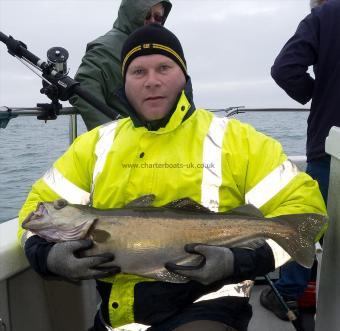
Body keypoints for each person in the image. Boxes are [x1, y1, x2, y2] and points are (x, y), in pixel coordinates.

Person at [18, 24, 327, 331]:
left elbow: (306, 211)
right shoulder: (93, 145)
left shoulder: (238, 140)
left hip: (208, 306)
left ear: (184, 75)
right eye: (138, 72)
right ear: (123, 82)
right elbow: (34, 213)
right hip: (115, 316)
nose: (151, 81)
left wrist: (238, 263)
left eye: (163, 67)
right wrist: (49, 257)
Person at [260, 0, 339, 321]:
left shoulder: (325, 15)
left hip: (332, 144)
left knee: (309, 220)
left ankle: (289, 292)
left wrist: (317, 93)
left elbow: (285, 68)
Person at [70, 0, 172, 131]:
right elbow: (83, 89)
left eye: (158, 17)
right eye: (146, 16)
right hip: (128, 139)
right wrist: (110, 134)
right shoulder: (104, 49)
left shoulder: (160, 48)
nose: (152, 21)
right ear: (131, 14)